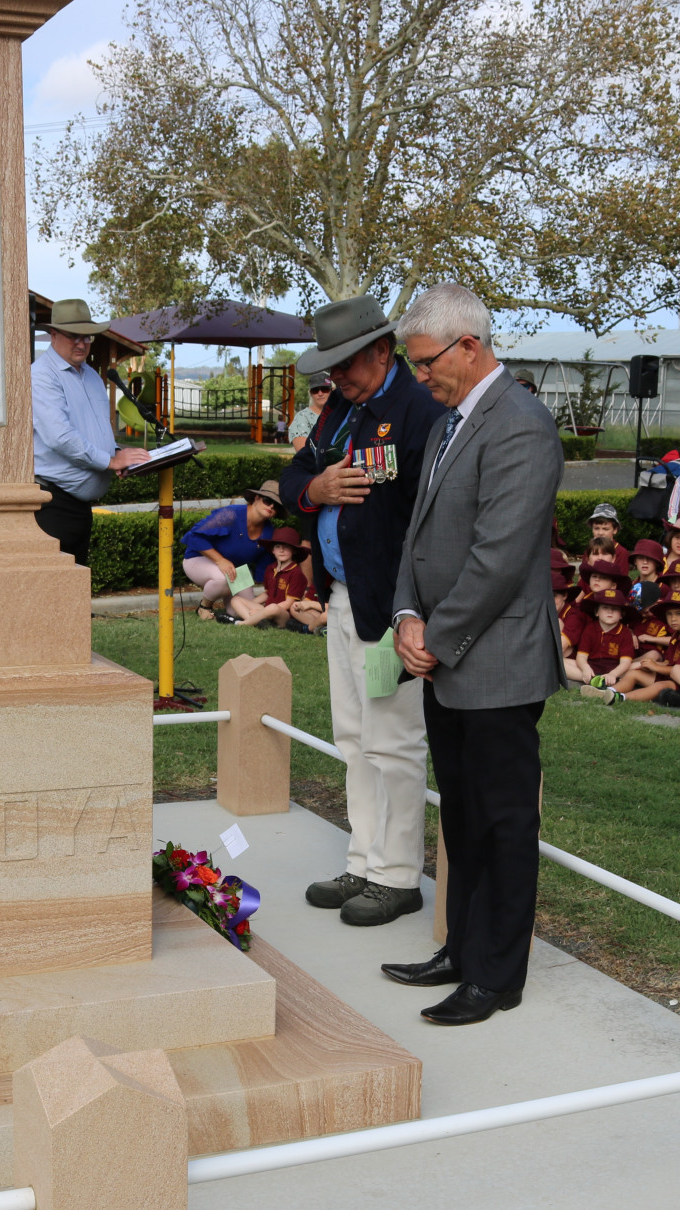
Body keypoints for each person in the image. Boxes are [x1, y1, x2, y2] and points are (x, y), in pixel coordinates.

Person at [386, 282, 564, 1026]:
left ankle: (497, 974)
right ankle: (462, 948)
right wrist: (404, 611)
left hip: (494, 662)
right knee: (459, 816)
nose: (419, 376)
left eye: (427, 362)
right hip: (448, 654)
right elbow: (419, 533)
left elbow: (498, 558)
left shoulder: (520, 425)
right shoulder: (446, 423)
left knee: (501, 821)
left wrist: (435, 633)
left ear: (470, 345)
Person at [280, 294, 446, 927]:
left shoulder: (418, 409)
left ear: (382, 351)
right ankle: (364, 858)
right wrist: (315, 489)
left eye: (344, 363)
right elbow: (297, 475)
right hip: (343, 597)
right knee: (353, 737)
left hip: (391, 607)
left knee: (394, 741)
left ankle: (397, 874)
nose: (335, 378)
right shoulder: (341, 413)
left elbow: (429, 516)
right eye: (329, 369)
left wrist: (413, 607)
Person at [30, 299, 152, 565]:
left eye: (87, 336)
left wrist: (119, 454)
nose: (81, 343)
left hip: (79, 507)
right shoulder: (41, 376)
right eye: (73, 336)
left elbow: (95, 429)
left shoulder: (92, 376)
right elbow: (59, 437)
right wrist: (108, 461)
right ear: (54, 335)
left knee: (75, 593)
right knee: (54, 593)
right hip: (52, 505)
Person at [181, 481, 281, 619]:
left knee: (241, 611)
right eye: (267, 500)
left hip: (236, 570)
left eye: (276, 506)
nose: (271, 506)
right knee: (222, 578)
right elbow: (194, 536)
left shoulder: (269, 531)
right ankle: (204, 606)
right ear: (256, 498)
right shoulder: (231, 514)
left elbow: (266, 564)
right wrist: (220, 560)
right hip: (198, 560)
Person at [228, 527, 314, 628]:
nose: (281, 550)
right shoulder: (270, 568)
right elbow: (268, 593)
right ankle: (259, 622)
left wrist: (262, 611)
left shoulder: (296, 573)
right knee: (236, 600)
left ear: (294, 550)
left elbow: (288, 603)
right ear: (273, 550)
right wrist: (250, 604)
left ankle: (242, 623)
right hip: (267, 608)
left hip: (284, 614)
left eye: (286, 547)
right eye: (277, 546)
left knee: (273, 608)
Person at [571, 587, 637, 695]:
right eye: (605, 607)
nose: (610, 611)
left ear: (621, 615)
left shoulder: (625, 633)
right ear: (596, 612)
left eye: (615, 609)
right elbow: (581, 656)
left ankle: (603, 681)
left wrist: (614, 674)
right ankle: (596, 680)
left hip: (616, 668)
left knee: (638, 667)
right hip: (592, 667)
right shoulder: (590, 628)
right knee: (563, 663)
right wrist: (585, 669)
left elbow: (625, 662)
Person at [288, 376, 333, 452]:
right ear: (310, 393)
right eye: (315, 390)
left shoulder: (342, 413)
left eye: (324, 389)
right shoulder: (302, 417)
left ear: (331, 391)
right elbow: (304, 453)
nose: (320, 393)